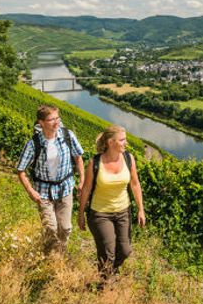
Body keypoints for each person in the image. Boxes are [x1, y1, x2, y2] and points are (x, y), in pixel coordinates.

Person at [78, 125, 145, 280]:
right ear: (110, 142)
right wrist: (81, 214)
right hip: (100, 213)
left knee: (125, 251)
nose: (125, 143)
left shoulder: (129, 158)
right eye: (122, 140)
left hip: (123, 211)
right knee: (108, 253)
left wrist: (141, 209)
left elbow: (135, 184)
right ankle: (105, 285)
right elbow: (87, 189)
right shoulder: (95, 163)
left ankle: (110, 273)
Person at [17, 105, 84, 253]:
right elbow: (20, 170)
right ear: (41, 122)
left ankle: (59, 252)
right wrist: (30, 191)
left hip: (65, 188)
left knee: (65, 228)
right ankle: (52, 259)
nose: (56, 122)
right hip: (43, 192)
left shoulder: (68, 135)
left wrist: (82, 180)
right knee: (50, 228)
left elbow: (78, 157)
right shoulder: (34, 143)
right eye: (51, 119)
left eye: (57, 118)